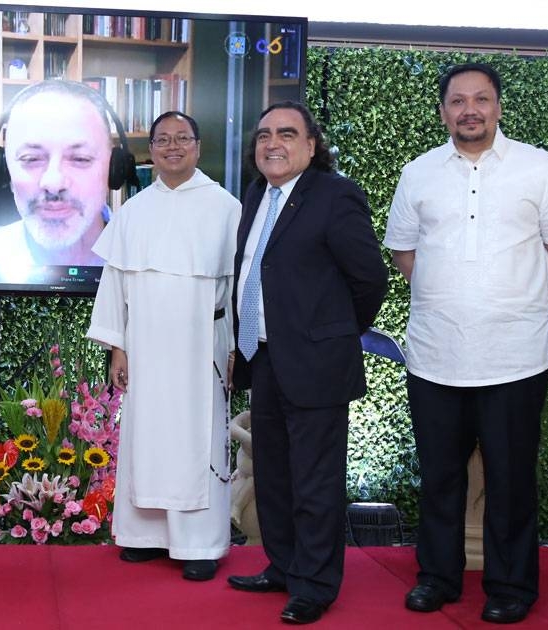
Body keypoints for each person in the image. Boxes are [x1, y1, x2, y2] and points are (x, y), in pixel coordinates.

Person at [384, 62, 548, 625]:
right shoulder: (418, 173)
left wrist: (518, 301)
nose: (469, 110)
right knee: (439, 476)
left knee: (511, 478)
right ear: (443, 109)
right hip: (435, 354)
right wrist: (450, 295)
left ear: (497, 106)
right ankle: (438, 578)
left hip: (515, 356)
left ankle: (512, 586)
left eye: (481, 99)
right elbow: (404, 251)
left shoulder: (538, 167)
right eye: (457, 101)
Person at [226, 102, 388, 625]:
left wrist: (331, 332)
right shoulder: (257, 194)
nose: (273, 142)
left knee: (315, 481)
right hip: (265, 356)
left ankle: (316, 585)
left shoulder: (335, 195)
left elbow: (369, 281)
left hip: (316, 361)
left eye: (287, 133)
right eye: (265, 134)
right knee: (273, 473)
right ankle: (284, 565)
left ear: (312, 145)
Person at [86, 111, 240, 582]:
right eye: (163, 140)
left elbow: (238, 286)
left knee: (199, 439)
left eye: (183, 139)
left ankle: (199, 543)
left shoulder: (226, 207)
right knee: (145, 438)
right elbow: (115, 283)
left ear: (197, 146)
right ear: (151, 151)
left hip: (203, 346)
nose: (173, 147)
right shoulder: (133, 210)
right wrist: (117, 347)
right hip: (146, 346)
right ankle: (143, 536)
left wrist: (236, 347)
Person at [0, 80, 122, 266]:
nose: (53, 183)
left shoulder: (150, 266)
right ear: (4, 171)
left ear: (114, 168)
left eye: (80, 159)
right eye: (31, 159)